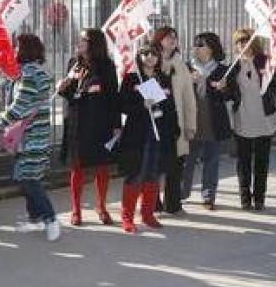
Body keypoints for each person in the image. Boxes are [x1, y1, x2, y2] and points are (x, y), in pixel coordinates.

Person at [0, 34, 60, 241]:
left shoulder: (29, 74)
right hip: (34, 135)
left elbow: (19, 107)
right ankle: (36, 217)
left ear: (26, 50)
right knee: (27, 177)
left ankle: (50, 218)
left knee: (28, 179)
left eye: (16, 47)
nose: (13, 51)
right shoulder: (34, 72)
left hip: (31, 137)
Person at [57, 28, 120, 226]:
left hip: (99, 122)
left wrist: (116, 124)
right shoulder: (74, 64)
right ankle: (76, 210)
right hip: (77, 121)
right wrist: (64, 88)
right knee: (77, 166)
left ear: (94, 43)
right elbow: (70, 95)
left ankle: (101, 206)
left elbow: (113, 97)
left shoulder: (106, 66)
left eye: (83, 39)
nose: (79, 42)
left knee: (102, 167)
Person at [117, 44, 178, 232]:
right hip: (138, 135)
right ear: (139, 57)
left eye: (154, 54)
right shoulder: (131, 79)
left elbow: (170, 106)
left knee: (153, 174)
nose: (150, 57)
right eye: (146, 54)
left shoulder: (163, 79)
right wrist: (141, 105)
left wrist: (175, 129)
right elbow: (122, 105)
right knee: (135, 174)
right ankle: (127, 217)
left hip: (159, 134)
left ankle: (148, 214)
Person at [224, 28, 276, 211]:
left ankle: (259, 198)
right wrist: (222, 87)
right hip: (243, 119)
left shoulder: (265, 61)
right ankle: (245, 198)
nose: (243, 45)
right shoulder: (233, 67)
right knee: (243, 162)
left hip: (263, 119)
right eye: (239, 42)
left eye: (246, 41)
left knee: (261, 161)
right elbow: (228, 94)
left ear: (254, 43)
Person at [181, 32, 233, 209]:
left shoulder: (222, 70)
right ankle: (181, 193)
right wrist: (188, 81)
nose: (196, 47)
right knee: (187, 160)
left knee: (211, 160)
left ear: (211, 48)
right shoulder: (186, 68)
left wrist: (223, 89)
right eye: (195, 44)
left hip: (213, 122)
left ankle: (208, 196)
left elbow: (231, 96)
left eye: (201, 44)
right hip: (191, 122)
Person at [151, 27, 197, 215]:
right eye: (168, 37)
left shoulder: (180, 64)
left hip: (175, 123)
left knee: (175, 165)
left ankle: (173, 204)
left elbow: (188, 96)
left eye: (174, 37)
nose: (172, 40)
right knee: (153, 165)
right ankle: (152, 203)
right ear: (159, 40)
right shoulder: (150, 60)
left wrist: (190, 125)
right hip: (155, 122)